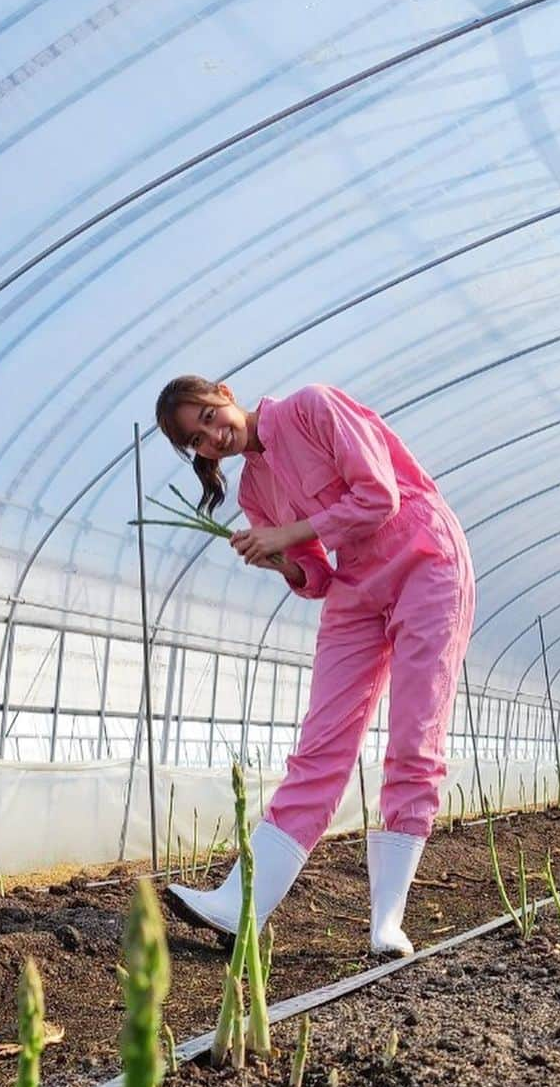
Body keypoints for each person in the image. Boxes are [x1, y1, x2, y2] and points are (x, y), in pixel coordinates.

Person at [154, 377, 475, 955]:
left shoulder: (312, 407)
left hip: (424, 559)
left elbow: (380, 496)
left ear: (226, 393)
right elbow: (317, 578)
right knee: (321, 743)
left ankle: (387, 922)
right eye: (196, 439)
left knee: (414, 738)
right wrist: (281, 562)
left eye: (208, 415)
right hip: (356, 584)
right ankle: (240, 904)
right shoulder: (256, 491)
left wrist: (290, 532)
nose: (211, 435)